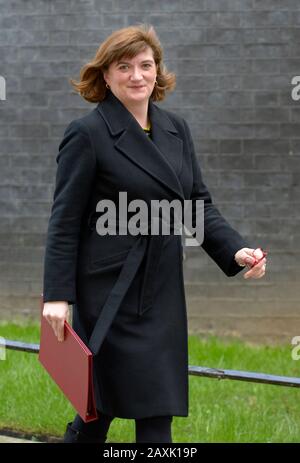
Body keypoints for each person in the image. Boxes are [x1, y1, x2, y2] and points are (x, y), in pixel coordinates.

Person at [42, 24, 267, 444]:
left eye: (146, 65)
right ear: (105, 76)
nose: (137, 75)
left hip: (160, 288)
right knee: (98, 408)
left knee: (155, 407)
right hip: (107, 291)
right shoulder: (87, 134)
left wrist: (236, 250)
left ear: (158, 72)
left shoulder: (176, 129)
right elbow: (64, 221)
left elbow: (196, 204)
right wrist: (57, 295)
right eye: (123, 66)